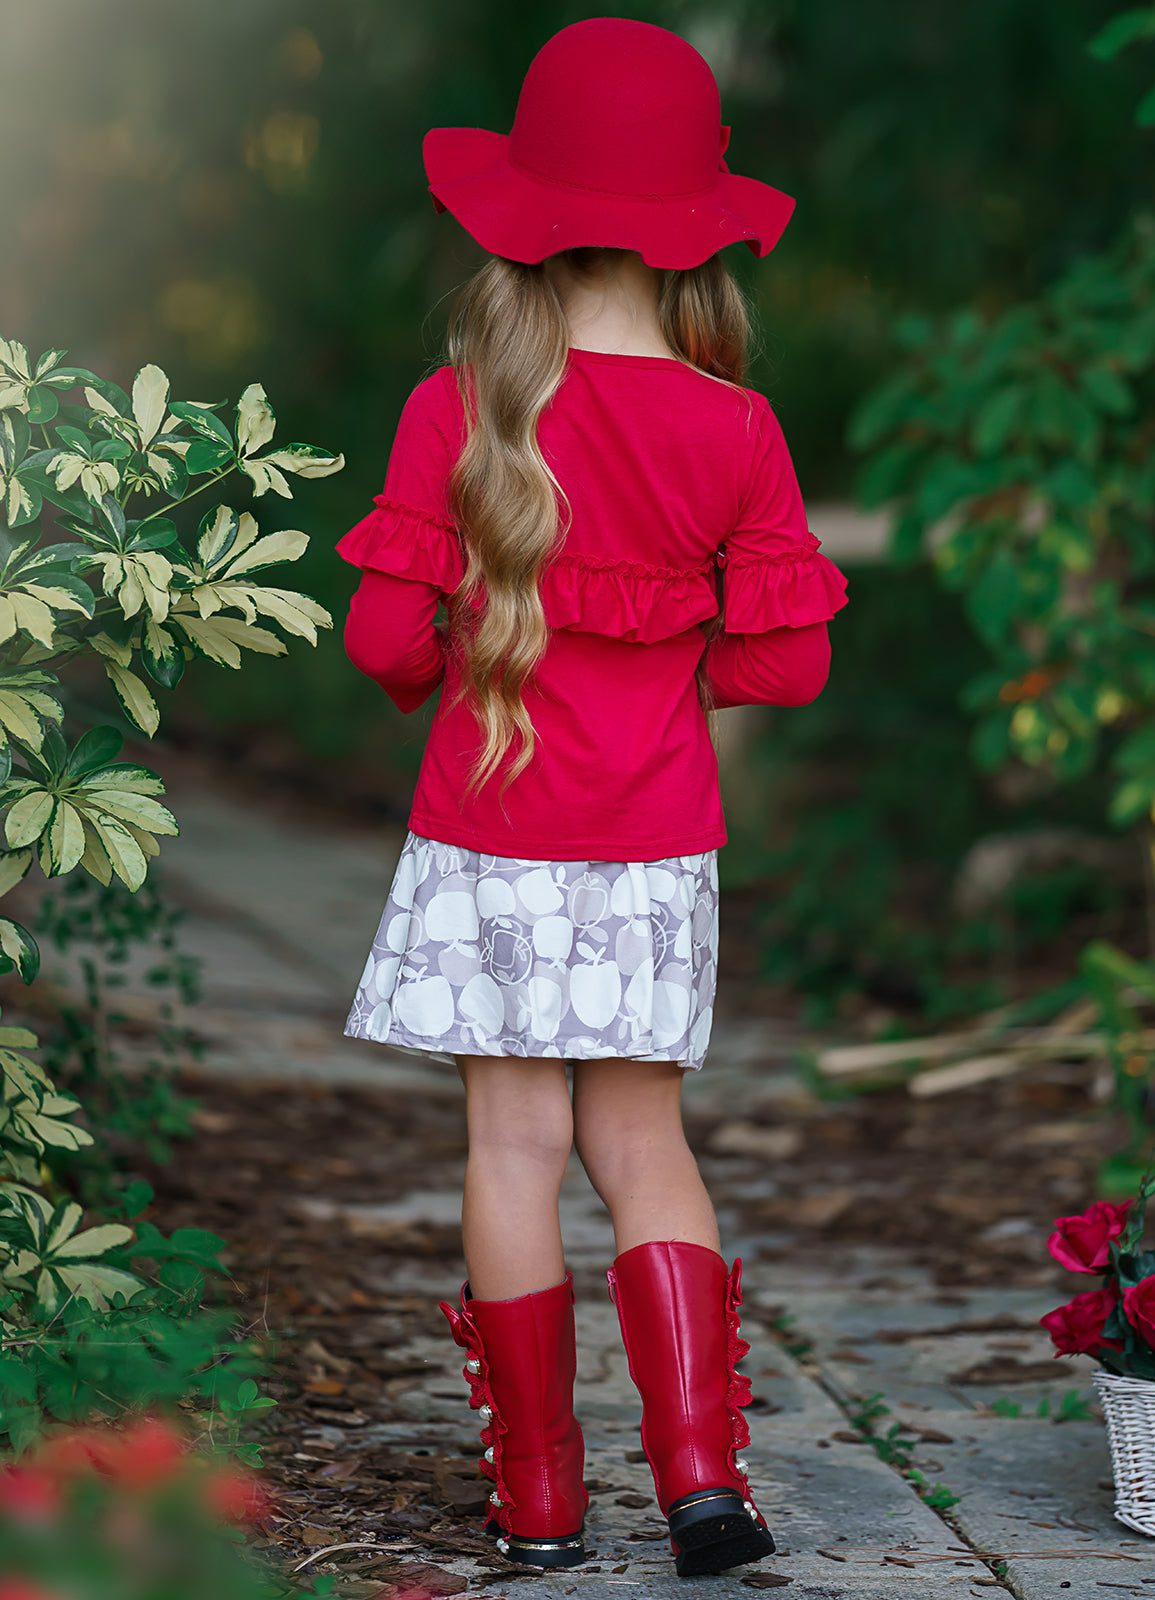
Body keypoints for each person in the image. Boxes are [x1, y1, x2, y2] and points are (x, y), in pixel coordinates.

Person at [337, 17, 848, 1579]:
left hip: (488, 835)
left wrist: (471, 655)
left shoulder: (457, 410)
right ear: (698, 228)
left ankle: (543, 1502)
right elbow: (789, 665)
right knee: (643, 1142)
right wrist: (677, 669)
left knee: (514, 1145)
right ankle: (701, 1478)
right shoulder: (736, 427)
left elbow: (379, 642)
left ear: (524, 212)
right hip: (651, 843)